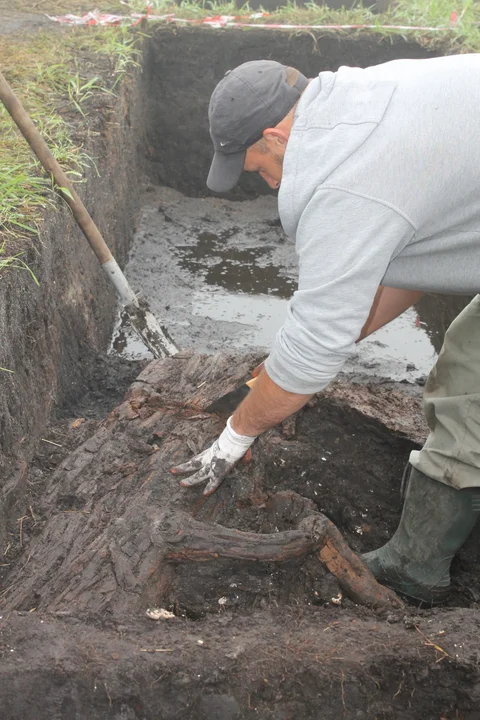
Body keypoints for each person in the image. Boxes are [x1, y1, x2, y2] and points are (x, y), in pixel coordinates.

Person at [172, 57, 480, 605]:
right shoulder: (361, 97)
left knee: (468, 387)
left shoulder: (346, 183)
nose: (267, 183)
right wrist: (301, 353)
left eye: (261, 167)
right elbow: (403, 267)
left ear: (275, 134)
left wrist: (235, 435)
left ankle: (414, 568)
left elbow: (314, 352)